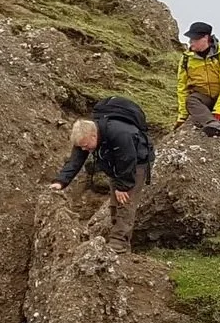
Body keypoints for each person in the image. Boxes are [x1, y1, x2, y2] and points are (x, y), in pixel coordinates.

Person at [50, 97, 154, 252]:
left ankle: (119, 244)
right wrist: (61, 181)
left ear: (94, 136)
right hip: (115, 165)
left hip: (136, 164)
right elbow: (75, 161)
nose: (85, 150)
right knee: (115, 203)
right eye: (81, 147)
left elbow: (127, 159)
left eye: (86, 146)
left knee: (125, 202)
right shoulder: (84, 138)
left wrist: (123, 186)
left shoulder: (119, 133)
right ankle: (118, 238)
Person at [176, 24, 220, 137]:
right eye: (190, 39)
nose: (190, 42)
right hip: (203, 96)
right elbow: (182, 87)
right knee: (191, 100)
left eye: (194, 39)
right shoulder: (186, 58)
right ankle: (211, 123)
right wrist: (182, 116)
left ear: (206, 38)